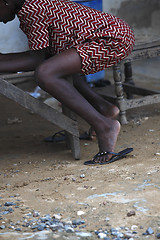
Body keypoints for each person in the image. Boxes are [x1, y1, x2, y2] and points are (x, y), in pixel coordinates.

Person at [0, 0, 135, 164]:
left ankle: (105, 126)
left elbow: (35, 60)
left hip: (110, 40)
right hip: (115, 33)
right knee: (54, 60)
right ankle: (103, 108)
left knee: (45, 73)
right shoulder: (29, 5)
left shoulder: (31, 10)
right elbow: (38, 54)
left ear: (5, 2)